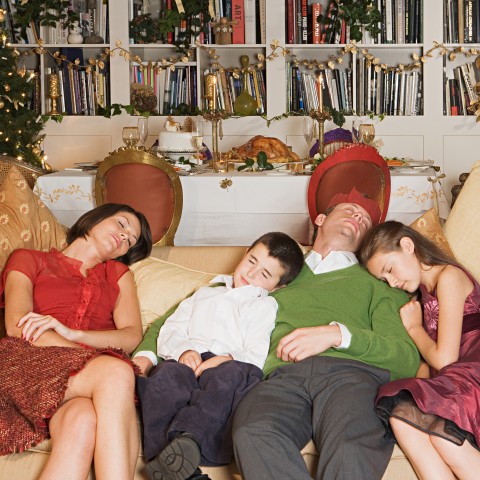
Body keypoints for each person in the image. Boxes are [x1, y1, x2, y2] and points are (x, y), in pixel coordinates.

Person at [231, 188, 420, 480]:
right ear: (320, 219)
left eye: (365, 220)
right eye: (348, 210)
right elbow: (207, 304)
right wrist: (147, 354)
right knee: (252, 432)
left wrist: (338, 335)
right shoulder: (278, 271)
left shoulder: (379, 283)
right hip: (282, 376)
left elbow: (405, 358)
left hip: (351, 376)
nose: (357, 215)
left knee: (350, 446)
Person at [132, 232, 305, 480]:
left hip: (230, 364)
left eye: (265, 274)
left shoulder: (263, 306)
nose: (252, 273)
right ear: (244, 254)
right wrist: (184, 350)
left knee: (230, 377)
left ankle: (187, 443)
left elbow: (255, 351)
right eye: (252, 261)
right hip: (189, 358)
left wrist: (225, 358)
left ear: (278, 287)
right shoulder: (204, 293)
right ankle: (180, 467)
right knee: (165, 376)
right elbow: (172, 328)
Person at [0, 203, 152, 480]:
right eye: (121, 225)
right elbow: (17, 324)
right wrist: (93, 360)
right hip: (29, 362)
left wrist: (75, 335)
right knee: (117, 372)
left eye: (130, 241)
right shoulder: (29, 259)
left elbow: (131, 336)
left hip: (83, 382)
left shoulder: (118, 276)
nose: (124, 237)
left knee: (82, 420)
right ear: (94, 219)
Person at [358, 220, 480, 480]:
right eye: (384, 278)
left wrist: (414, 328)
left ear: (407, 245)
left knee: (445, 436)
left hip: (474, 368)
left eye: (390, 269)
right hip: (456, 376)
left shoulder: (449, 277)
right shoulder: (421, 297)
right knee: (402, 416)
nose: (391, 282)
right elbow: (429, 362)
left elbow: (446, 358)